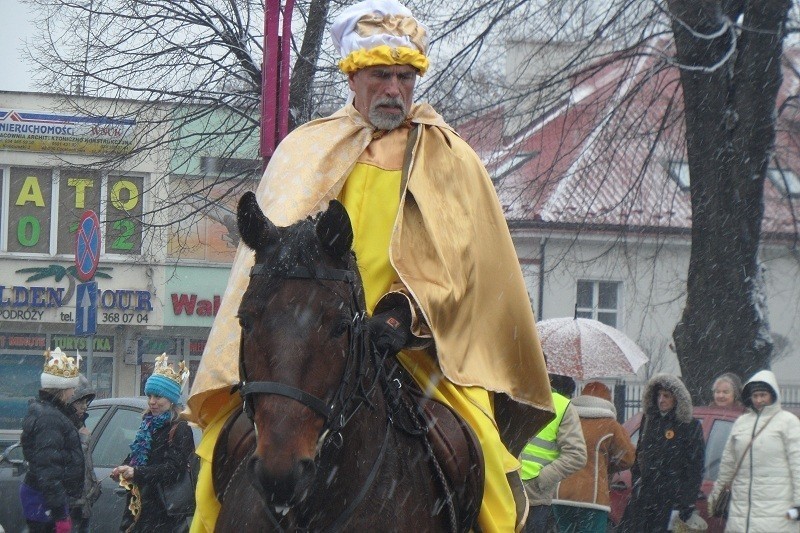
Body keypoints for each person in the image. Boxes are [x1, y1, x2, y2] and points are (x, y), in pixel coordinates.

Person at [185, 1, 554, 531]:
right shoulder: (306, 150)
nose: (394, 90)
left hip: (416, 355)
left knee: (486, 464)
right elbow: (275, 261)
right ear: (353, 77)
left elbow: (459, 264)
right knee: (220, 451)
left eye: (405, 77)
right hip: (313, 346)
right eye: (381, 75)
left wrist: (402, 314)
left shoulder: (449, 158)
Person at [709, 370, 800, 532]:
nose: (759, 400)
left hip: (776, 515)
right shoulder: (741, 423)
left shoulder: (788, 423)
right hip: (741, 514)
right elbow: (727, 464)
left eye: (763, 395)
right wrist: (715, 496)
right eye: (755, 395)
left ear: (773, 394)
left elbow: (798, 465)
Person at [112, 355, 194, 532]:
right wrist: (123, 469)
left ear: (171, 399)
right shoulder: (147, 426)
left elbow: (173, 469)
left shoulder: (179, 429)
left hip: (164, 514)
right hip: (140, 508)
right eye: (149, 395)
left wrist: (137, 472)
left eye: (158, 397)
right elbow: (137, 458)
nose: (152, 402)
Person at [618, 373, 705, 533]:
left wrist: (686, 502)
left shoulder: (689, 426)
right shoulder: (649, 421)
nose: (661, 400)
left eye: (667, 395)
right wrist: (638, 482)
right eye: (658, 395)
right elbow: (639, 456)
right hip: (644, 500)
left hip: (671, 501)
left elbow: (695, 467)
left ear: (677, 398)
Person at [551, 381, 636, 533]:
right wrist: (606, 464)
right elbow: (628, 458)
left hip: (561, 494)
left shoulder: (567, 419)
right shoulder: (610, 425)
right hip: (593, 497)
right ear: (608, 401)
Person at [19, 348, 84, 533]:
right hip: (45, 502)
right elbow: (49, 469)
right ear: (64, 389)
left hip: (44, 499)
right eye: (72, 387)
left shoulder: (47, 413)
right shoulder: (50, 418)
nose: (74, 393)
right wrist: (59, 514)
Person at [521, 374, 587, 532]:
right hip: (508, 487)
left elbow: (577, 454)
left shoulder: (561, 406)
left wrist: (543, 479)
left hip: (533, 495)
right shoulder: (510, 397)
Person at [68, 374, 101, 533]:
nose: (85, 406)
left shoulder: (80, 425)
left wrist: (94, 487)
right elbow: (71, 464)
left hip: (82, 506)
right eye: (80, 402)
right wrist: (83, 441)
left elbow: (86, 466)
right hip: (71, 506)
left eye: (86, 402)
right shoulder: (64, 426)